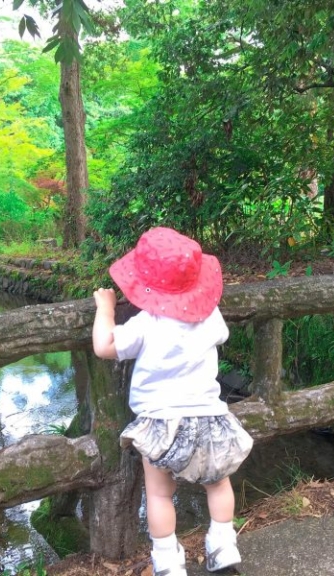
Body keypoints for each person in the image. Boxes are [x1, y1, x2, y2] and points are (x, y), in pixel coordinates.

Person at [92, 226, 253, 575]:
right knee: (218, 482)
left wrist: (105, 307)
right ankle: (223, 547)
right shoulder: (211, 317)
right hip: (208, 417)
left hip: (161, 423)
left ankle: (167, 561)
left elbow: (104, 346)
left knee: (160, 494)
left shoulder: (146, 323)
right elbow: (220, 333)